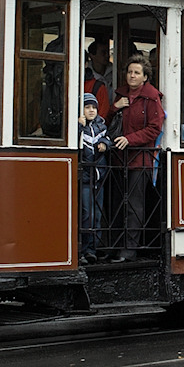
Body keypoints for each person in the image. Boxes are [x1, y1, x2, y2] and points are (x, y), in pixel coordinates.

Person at [111, 57, 164, 262]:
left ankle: (129, 248)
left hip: (140, 159)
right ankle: (115, 244)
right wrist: (115, 107)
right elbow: (107, 121)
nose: (132, 76)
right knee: (117, 202)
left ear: (145, 77)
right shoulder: (120, 95)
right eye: (130, 72)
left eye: (136, 73)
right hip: (118, 157)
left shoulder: (151, 98)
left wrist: (129, 139)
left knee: (134, 204)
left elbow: (154, 129)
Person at [77, 92, 112, 265]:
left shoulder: (101, 126)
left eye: (94, 107)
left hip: (99, 177)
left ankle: (92, 249)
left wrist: (105, 143)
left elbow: (108, 138)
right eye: (87, 107)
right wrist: (79, 127)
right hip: (84, 178)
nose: (91, 110)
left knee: (96, 215)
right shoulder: (78, 126)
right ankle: (82, 249)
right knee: (86, 214)